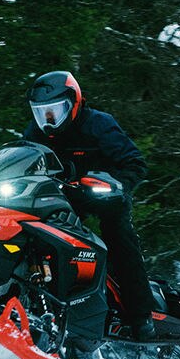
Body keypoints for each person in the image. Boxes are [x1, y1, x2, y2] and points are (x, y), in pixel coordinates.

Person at [22, 70, 157, 340]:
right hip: (61, 198)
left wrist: (118, 185)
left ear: (73, 104)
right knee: (28, 232)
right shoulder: (35, 132)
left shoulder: (98, 124)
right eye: (41, 113)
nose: (47, 121)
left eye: (54, 112)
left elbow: (135, 163)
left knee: (119, 241)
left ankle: (141, 317)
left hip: (105, 196)